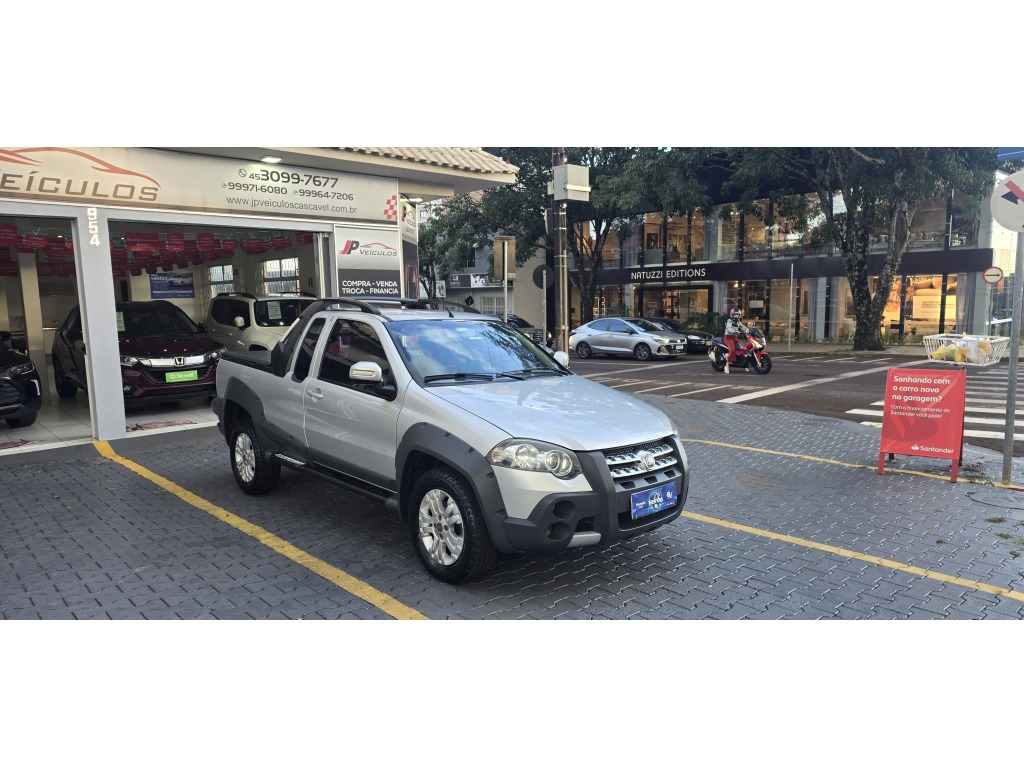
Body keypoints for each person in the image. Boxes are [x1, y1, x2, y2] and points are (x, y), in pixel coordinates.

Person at [723, 307, 751, 374]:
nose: (736, 316)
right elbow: (729, 328)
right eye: (735, 315)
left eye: (737, 315)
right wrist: (734, 331)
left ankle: (743, 365)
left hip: (734, 338)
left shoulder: (738, 322)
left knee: (744, 349)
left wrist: (749, 331)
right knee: (732, 350)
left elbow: (743, 327)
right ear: (732, 315)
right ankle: (727, 365)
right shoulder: (729, 321)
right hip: (728, 338)